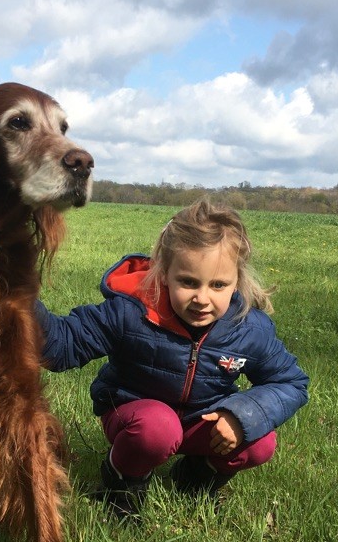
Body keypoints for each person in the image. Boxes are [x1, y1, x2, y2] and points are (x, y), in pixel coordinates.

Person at [37, 198, 309, 518]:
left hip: (201, 421)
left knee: (258, 440)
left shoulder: (248, 329)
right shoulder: (131, 312)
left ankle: (195, 477)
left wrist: (244, 415)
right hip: (137, 415)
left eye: (218, 285)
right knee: (158, 427)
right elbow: (60, 347)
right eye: (188, 282)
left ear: (236, 282)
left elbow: (291, 382)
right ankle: (122, 480)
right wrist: (19, 296)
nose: (202, 298)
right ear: (164, 273)